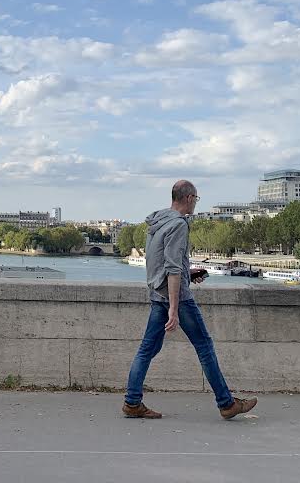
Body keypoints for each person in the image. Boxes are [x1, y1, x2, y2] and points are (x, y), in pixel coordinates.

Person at [122, 180, 257, 420]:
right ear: (189, 198)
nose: (196, 203)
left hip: (157, 292)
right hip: (176, 297)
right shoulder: (178, 226)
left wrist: (188, 273)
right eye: (196, 199)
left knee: (147, 349)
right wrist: (174, 308)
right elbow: (173, 268)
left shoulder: (157, 222)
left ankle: (132, 402)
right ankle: (226, 403)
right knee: (204, 346)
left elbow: (162, 262)